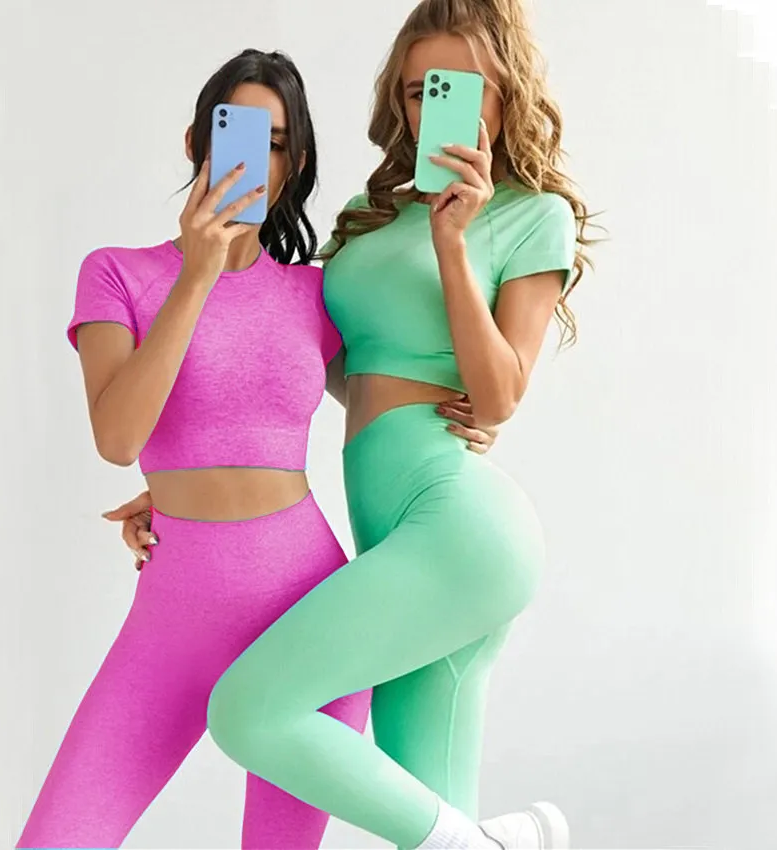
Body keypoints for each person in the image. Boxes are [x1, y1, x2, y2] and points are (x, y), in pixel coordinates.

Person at [16, 48, 496, 850]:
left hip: (309, 618)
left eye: (274, 144)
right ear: (195, 143)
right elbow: (119, 437)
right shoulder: (117, 276)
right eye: (232, 132)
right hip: (171, 623)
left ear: (294, 163)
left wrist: (472, 417)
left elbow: (379, 399)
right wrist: (197, 275)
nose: (252, 159)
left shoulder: (315, 292)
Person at [194, 2, 597, 849]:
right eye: (419, 92)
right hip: (392, 531)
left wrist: (454, 241)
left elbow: (498, 396)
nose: (434, 109)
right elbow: (310, 361)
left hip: (458, 531)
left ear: (506, 94)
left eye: (464, 88)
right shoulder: (369, 214)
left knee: (248, 710)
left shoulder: (533, 216)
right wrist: (184, 470)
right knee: (429, 820)